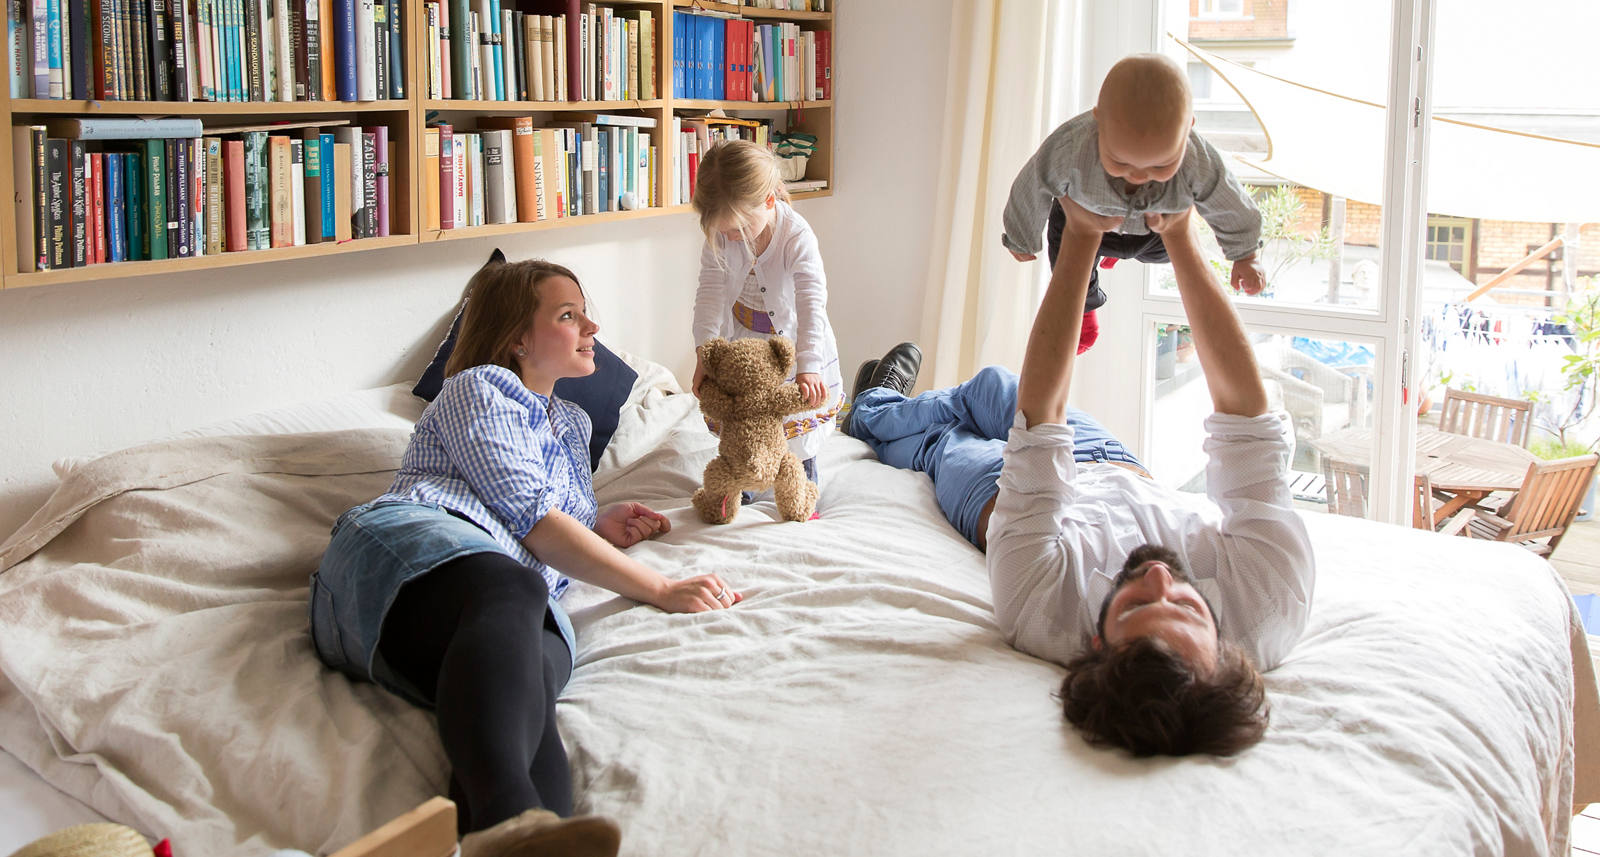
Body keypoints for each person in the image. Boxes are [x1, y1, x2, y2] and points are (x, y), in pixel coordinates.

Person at [308, 259, 743, 857]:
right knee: (512, 588)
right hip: (404, 560)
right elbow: (533, 520)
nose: (592, 325)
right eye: (568, 315)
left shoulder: (569, 423)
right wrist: (660, 588)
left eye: (585, 311)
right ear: (516, 337)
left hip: (492, 608)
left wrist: (597, 525)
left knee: (534, 683)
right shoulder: (478, 387)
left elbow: (546, 520)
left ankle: (513, 832)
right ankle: (512, 823)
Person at [849, 202, 1314, 757]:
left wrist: (1081, 239)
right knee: (994, 386)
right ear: (1224, 644)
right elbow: (1247, 421)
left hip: (1002, 497)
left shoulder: (1040, 612)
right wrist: (1183, 239)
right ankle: (882, 406)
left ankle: (870, 409)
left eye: (1138, 605)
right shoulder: (1270, 602)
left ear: (1096, 642)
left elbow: (1040, 417)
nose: (1163, 578)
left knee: (937, 442)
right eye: (1190, 606)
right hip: (1113, 466)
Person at [999, 52, 1265, 354]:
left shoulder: (1197, 158)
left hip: (1157, 228)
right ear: (1098, 121)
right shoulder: (1071, 144)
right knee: (1066, 259)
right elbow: (1034, 182)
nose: (1139, 176)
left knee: (1171, 252)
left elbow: (1227, 198)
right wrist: (1021, 236)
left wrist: (1245, 254)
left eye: (1160, 166)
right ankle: (1085, 308)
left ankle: (1120, 251)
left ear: (1188, 128)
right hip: (1087, 220)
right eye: (1120, 161)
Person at [690, 140, 844, 496]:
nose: (730, 238)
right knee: (743, 418)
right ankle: (740, 480)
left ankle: (800, 488)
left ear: (769, 202)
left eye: (738, 230)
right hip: (743, 344)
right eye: (724, 231)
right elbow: (709, 294)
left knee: (794, 422)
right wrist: (704, 351)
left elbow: (811, 304)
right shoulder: (720, 233)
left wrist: (809, 364)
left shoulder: (796, 237)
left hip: (788, 347)